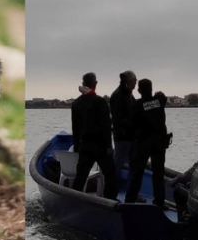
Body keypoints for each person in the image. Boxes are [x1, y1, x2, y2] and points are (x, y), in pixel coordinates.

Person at [70, 72, 117, 200]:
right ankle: (110, 200)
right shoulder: (100, 101)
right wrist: (109, 146)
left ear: (83, 84)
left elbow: (75, 128)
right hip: (101, 146)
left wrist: (77, 146)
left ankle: (74, 201)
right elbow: (106, 126)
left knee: (81, 176)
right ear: (95, 83)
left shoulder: (76, 104)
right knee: (110, 174)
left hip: (85, 146)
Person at [125, 78, 168, 209]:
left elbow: (131, 125)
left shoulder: (137, 106)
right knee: (159, 174)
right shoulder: (159, 101)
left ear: (139, 91)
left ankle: (130, 200)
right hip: (159, 144)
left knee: (137, 173)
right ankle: (159, 202)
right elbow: (162, 96)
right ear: (151, 89)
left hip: (143, 144)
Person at [109, 70, 137, 190]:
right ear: (128, 81)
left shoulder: (129, 94)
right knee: (118, 163)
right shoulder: (118, 95)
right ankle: (112, 190)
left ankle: (131, 190)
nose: (135, 83)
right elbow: (117, 119)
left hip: (131, 136)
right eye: (134, 81)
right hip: (122, 137)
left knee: (134, 164)